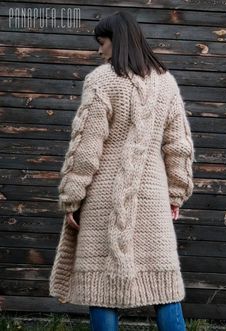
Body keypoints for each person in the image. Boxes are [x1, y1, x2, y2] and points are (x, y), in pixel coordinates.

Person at [49, 10, 195, 331]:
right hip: (153, 198)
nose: (100, 50)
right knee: (164, 283)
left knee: (101, 286)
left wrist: (73, 197)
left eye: (102, 42)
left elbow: (87, 148)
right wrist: (175, 194)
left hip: (104, 200)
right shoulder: (166, 82)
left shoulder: (101, 80)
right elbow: (178, 145)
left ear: (116, 40)